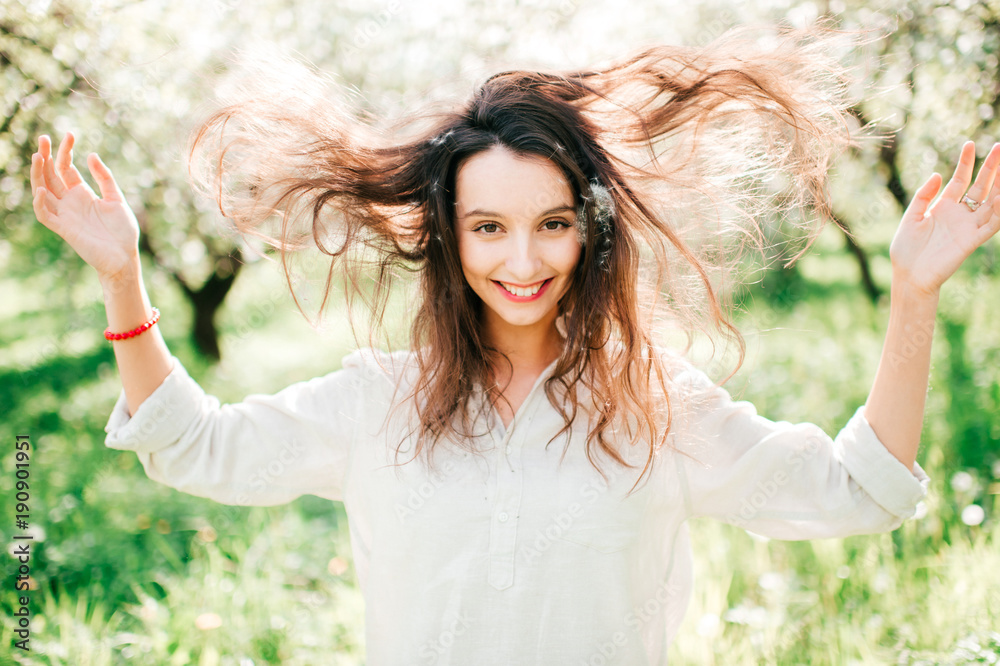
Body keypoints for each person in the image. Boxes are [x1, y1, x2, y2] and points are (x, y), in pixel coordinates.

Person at [29, 23, 1000, 665]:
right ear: (449, 235)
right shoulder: (378, 402)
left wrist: (912, 291)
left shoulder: (656, 405)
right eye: (488, 226)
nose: (522, 257)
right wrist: (123, 276)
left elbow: (857, 494)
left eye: (550, 223)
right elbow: (195, 446)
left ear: (590, 230)